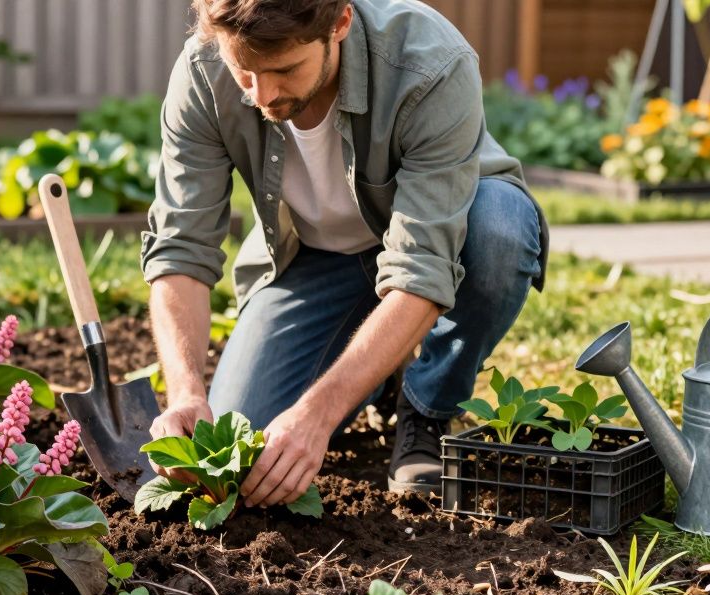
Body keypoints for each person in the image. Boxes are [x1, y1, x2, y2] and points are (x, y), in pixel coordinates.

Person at [142, 0, 548, 506]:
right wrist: (184, 391)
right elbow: (181, 247)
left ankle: (427, 408)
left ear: (339, 24)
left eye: (285, 69)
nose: (261, 95)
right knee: (244, 443)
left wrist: (318, 413)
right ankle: (375, 377)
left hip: (446, 239)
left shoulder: (429, 61)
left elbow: (422, 266)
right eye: (244, 71)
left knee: (502, 231)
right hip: (316, 260)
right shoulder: (202, 72)